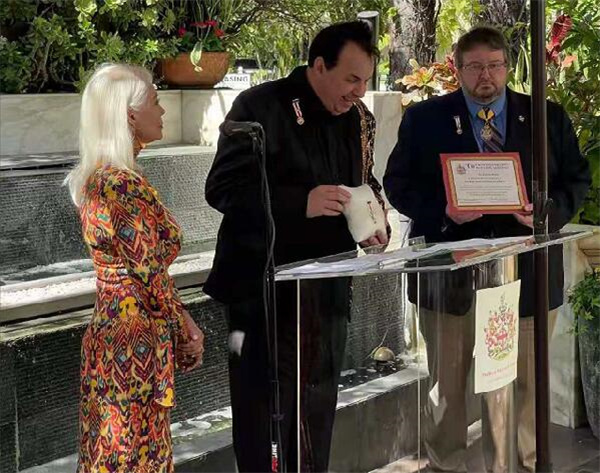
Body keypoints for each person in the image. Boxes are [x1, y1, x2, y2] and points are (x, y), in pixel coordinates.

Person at [384, 26, 590, 473]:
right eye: (475, 66)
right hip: (449, 276)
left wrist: (545, 214)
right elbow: (397, 184)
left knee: (525, 383)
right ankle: (446, 466)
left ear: (507, 67)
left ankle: (522, 465)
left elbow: (577, 179)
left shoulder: (546, 116)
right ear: (457, 69)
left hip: (527, 274)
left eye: (495, 66)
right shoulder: (425, 119)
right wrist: (444, 211)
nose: (486, 76)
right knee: (447, 386)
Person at [205, 21, 389, 472]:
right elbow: (222, 188)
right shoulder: (259, 106)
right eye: (351, 79)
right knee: (263, 416)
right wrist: (298, 203)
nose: (359, 92)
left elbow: (364, 180)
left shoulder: (357, 118)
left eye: (366, 81)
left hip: (327, 291)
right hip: (263, 294)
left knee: (318, 409)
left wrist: (374, 218)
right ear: (319, 65)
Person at [65, 63, 205, 473]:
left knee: (118, 454)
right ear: (129, 114)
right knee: (131, 457)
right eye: (156, 102)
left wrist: (179, 323)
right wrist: (185, 329)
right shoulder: (119, 184)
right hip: (131, 343)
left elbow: (146, 270)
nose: (162, 111)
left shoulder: (107, 180)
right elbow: (148, 273)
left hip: (120, 337)